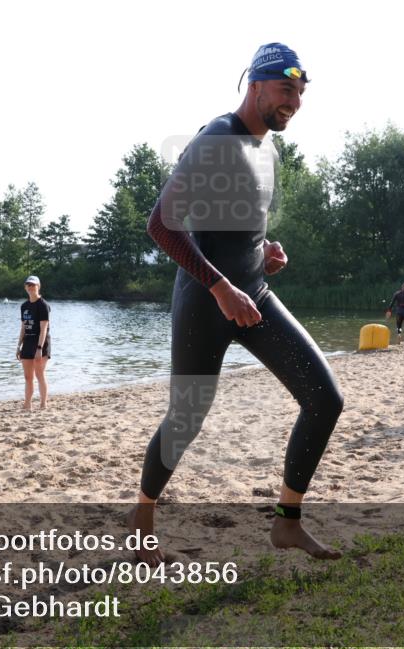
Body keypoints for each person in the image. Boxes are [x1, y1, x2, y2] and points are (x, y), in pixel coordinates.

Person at [130, 43, 344, 564]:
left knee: (325, 399)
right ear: (256, 86)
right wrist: (221, 286)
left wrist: (264, 251)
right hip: (207, 300)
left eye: (300, 93)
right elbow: (162, 226)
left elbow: (237, 224)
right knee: (187, 417)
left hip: (256, 296)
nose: (294, 101)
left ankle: (287, 523)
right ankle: (141, 516)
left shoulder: (267, 149)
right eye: (285, 89)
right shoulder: (217, 139)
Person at [15, 275, 50, 410]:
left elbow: (44, 329)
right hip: (28, 342)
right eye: (28, 285)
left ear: (38, 287)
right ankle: (28, 404)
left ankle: (43, 403)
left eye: (33, 285)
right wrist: (18, 346)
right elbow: (23, 327)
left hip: (41, 342)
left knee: (39, 374)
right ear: (25, 287)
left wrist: (40, 348)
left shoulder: (43, 305)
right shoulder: (24, 306)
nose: (30, 287)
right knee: (27, 376)